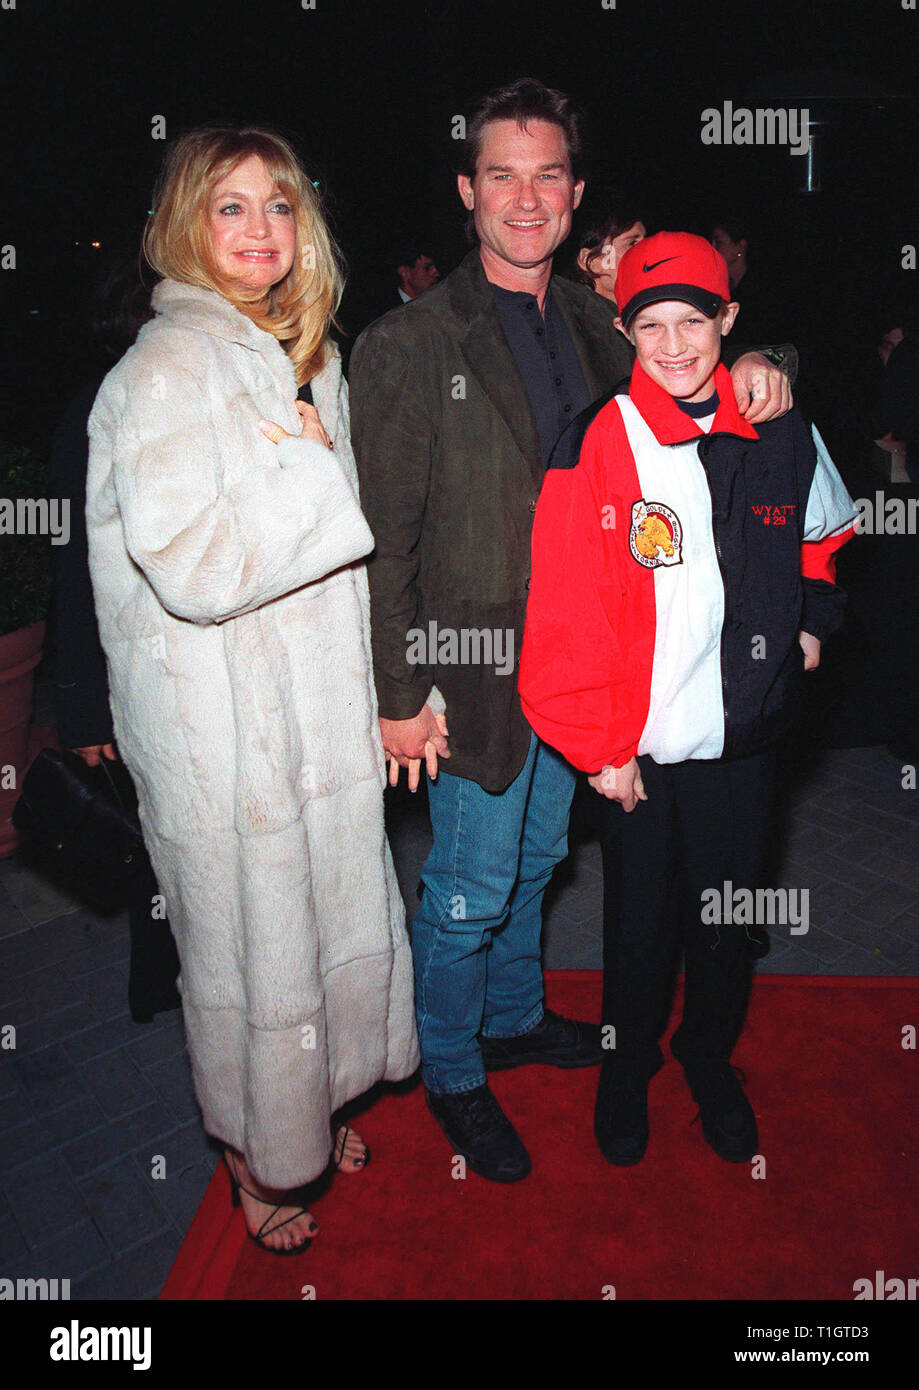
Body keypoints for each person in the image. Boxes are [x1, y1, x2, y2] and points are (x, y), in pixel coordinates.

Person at [349, 79, 793, 1185]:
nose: (526, 195)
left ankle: (512, 1016)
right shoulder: (406, 343)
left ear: (575, 189)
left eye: (547, 172)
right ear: (467, 189)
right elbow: (381, 541)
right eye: (502, 172)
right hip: (478, 675)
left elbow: (693, 372)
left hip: (595, 668)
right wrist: (397, 694)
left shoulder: (603, 325)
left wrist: (761, 366)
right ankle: (452, 1071)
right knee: (469, 886)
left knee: (542, 861)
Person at [86, 126, 419, 1254]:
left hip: (314, 717)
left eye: (279, 204)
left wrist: (379, 691)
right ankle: (251, 1154)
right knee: (244, 955)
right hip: (223, 735)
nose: (259, 229)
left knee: (322, 923)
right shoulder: (162, 370)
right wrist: (314, 478)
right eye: (229, 207)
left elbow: (350, 556)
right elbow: (193, 566)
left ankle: (310, 1111)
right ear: (185, 222)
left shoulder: (310, 356)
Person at [519, 232, 856, 1168]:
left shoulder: (781, 426)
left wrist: (813, 620)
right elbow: (561, 609)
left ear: (727, 321)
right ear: (624, 328)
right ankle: (624, 1076)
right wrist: (597, 744)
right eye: (650, 325)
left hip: (746, 740)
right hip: (643, 749)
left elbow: (823, 535)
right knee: (638, 933)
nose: (672, 345)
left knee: (725, 921)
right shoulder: (595, 439)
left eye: (693, 322)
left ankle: (707, 1061)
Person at [49, 255, 181, 1025]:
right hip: (134, 675)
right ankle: (157, 985)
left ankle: (167, 983)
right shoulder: (98, 412)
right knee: (153, 848)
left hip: (175, 669)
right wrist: (84, 710)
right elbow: (75, 571)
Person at [567, 200, 646, 305]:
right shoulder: (568, 317)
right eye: (632, 243)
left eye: (645, 242)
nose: (647, 250)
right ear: (590, 261)